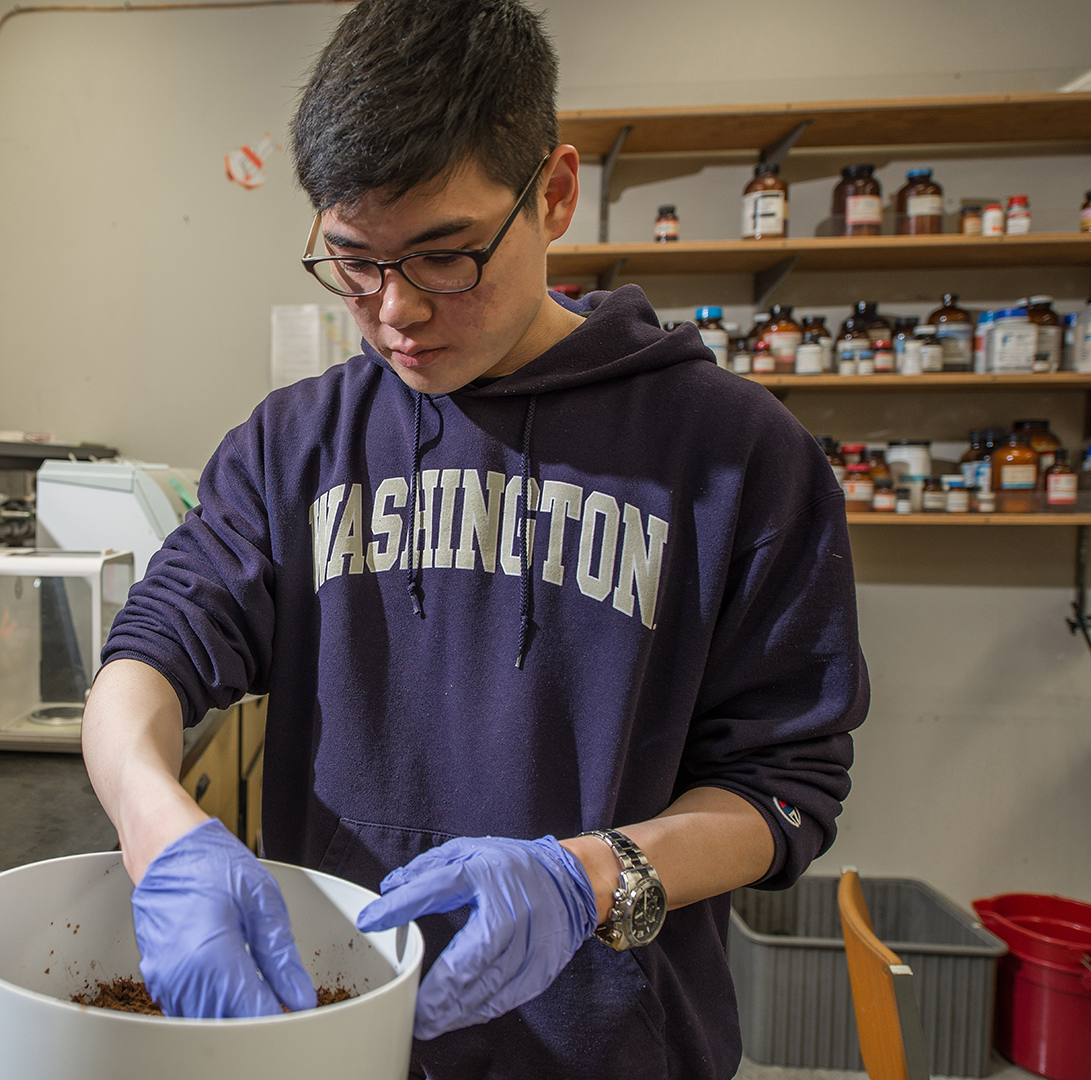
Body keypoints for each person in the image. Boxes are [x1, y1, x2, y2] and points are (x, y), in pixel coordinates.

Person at [82, 1, 868, 1076]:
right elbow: (148, 656)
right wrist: (155, 827)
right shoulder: (297, 444)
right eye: (354, 262)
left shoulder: (734, 454)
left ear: (551, 194)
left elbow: (783, 786)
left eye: (445, 258)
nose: (395, 310)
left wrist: (587, 877)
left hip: (607, 1047)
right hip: (337, 1024)